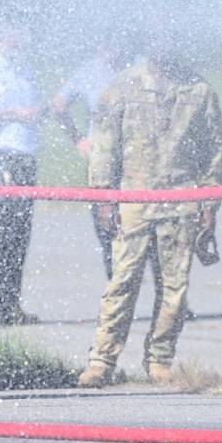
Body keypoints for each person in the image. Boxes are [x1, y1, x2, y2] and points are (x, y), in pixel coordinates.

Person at [77, 31, 222, 388]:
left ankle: (160, 359)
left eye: (171, 34)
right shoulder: (122, 87)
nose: (164, 42)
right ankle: (102, 361)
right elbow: (103, 148)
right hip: (134, 203)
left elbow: (213, 152)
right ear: (146, 39)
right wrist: (103, 197)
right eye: (157, 35)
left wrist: (209, 203)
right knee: (122, 283)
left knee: (175, 288)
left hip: (181, 203)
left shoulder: (199, 90)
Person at [0, 27, 45, 327]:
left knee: (18, 234)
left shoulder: (23, 66)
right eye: (19, 32)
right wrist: (15, 113)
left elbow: (35, 109)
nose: (25, 38)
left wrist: (37, 113)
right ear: (4, 31)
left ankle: (10, 304)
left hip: (24, 156)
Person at [49, 37, 135, 279]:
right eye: (107, 43)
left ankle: (166, 297)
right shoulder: (89, 72)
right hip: (102, 162)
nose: (111, 49)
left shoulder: (137, 67)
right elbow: (58, 104)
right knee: (106, 226)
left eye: (117, 42)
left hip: (137, 162)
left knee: (145, 226)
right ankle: (115, 288)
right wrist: (78, 139)